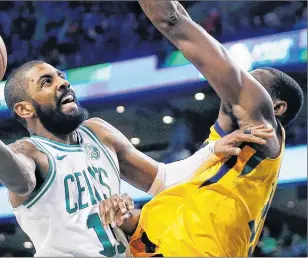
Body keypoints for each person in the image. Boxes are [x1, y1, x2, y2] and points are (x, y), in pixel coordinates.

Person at [0, 62, 272, 255]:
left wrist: (212, 151)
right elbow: (17, 178)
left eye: (61, 75)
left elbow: (162, 180)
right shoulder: (29, 153)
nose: (62, 82)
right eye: (47, 81)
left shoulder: (98, 132)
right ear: (24, 108)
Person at [97, 1, 305, 257]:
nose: (233, 81)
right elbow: (162, 212)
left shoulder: (262, 131)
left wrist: (173, 18)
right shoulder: (213, 158)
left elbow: (174, 21)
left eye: (253, 81)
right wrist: (124, 216)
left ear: (276, 108)